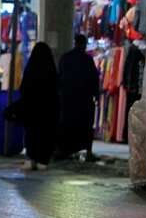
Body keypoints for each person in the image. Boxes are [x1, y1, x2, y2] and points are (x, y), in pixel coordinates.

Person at [8, 42, 59, 170]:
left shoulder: (31, 69)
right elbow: (56, 91)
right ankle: (43, 160)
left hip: (32, 110)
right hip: (47, 111)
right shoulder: (51, 69)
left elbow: (24, 89)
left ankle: (31, 158)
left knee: (32, 134)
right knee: (46, 135)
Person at [57, 33, 101, 161]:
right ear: (84, 44)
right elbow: (94, 80)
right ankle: (88, 151)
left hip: (68, 99)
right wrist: (96, 95)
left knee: (67, 124)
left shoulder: (65, 58)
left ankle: (64, 150)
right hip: (84, 100)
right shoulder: (87, 60)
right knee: (85, 125)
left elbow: (60, 78)